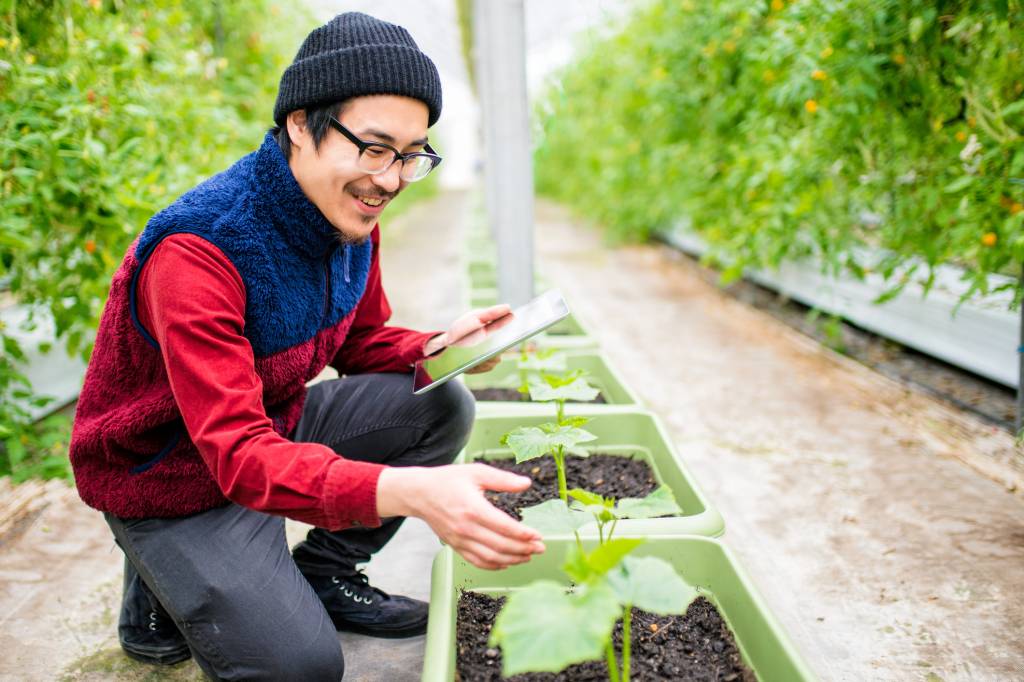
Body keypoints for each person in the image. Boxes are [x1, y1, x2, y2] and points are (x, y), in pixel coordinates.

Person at [68, 12, 544, 681]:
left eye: (412, 154)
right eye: (375, 148)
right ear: (300, 124)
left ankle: (325, 573)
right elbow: (234, 455)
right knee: (300, 666)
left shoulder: (349, 214)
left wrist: (441, 346)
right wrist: (408, 491)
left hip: (269, 425)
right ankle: (155, 570)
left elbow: (364, 339)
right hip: (171, 471)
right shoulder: (201, 250)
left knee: (440, 404)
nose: (393, 178)